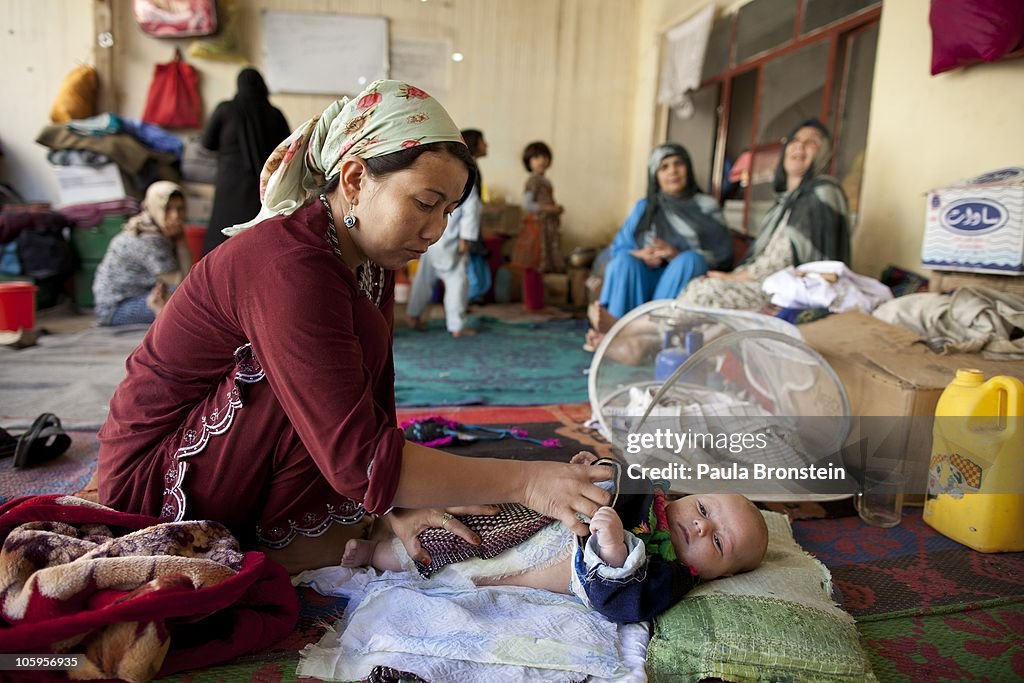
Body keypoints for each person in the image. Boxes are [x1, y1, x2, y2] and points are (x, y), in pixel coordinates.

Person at [96, 80, 611, 575]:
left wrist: (394, 507)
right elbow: (357, 455)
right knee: (295, 378)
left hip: (229, 453)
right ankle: (274, 548)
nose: (435, 232)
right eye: (426, 203)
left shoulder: (367, 255)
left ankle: (305, 532)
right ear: (355, 180)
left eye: (449, 211)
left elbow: (374, 395)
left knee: (338, 390)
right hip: (156, 480)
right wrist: (526, 482)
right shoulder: (287, 263)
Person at [341, 452, 769, 624]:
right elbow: (608, 477)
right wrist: (586, 467)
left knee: (454, 557)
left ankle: (376, 554)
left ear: (715, 575)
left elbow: (617, 603)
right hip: (534, 516)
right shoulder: (648, 490)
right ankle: (387, 527)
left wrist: (613, 549)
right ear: (691, 495)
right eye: (704, 510)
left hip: (543, 557)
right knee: (469, 518)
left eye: (717, 543)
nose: (701, 527)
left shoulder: (665, 576)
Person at [679, 119, 850, 311]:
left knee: (703, 292)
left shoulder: (822, 194)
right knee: (698, 289)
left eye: (812, 142)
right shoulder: (784, 204)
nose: (799, 146)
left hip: (794, 289)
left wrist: (734, 277)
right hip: (768, 281)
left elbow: (782, 261)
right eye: (794, 140)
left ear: (824, 154)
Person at [587, 144, 732, 350]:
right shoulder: (645, 207)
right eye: (664, 167)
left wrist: (675, 255)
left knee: (690, 260)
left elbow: (723, 254)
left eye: (678, 164)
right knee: (624, 261)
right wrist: (640, 254)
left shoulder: (706, 206)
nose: (672, 171)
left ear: (688, 168)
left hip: (679, 280)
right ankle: (617, 336)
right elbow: (618, 248)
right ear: (655, 175)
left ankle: (646, 337)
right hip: (644, 279)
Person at [405, 128, 487, 336]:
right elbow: (472, 208)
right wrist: (467, 238)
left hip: (433, 239)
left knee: (424, 279)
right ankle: (457, 326)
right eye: (483, 142)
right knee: (457, 282)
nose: (487, 145)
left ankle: (413, 315)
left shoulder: (441, 170)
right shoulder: (468, 173)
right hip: (451, 240)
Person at [200, 67, 290, 255]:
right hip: (263, 186)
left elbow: (206, 144)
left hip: (229, 184)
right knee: (255, 240)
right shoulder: (275, 115)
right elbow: (288, 151)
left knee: (221, 234)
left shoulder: (225, 110)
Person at [92, 181, 191, 326]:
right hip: (116, 308)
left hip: (143, 294)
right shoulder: (147, 238)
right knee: (186, 301)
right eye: (167, 209)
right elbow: (181, 283)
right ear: (154, 208)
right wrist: (182, 243)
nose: (175, 216)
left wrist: (181, 240)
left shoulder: (156, 229)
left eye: (180, 209)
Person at [515, 141, 564, 274]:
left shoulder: (546, 181)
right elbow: (528, 204)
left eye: (544, 157)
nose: (541, 161)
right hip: (538, 227)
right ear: (529, 162)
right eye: (536, 158)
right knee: (536, 262)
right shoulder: (533, 181)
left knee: (549, 261)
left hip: (549, 226)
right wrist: (550, 209)